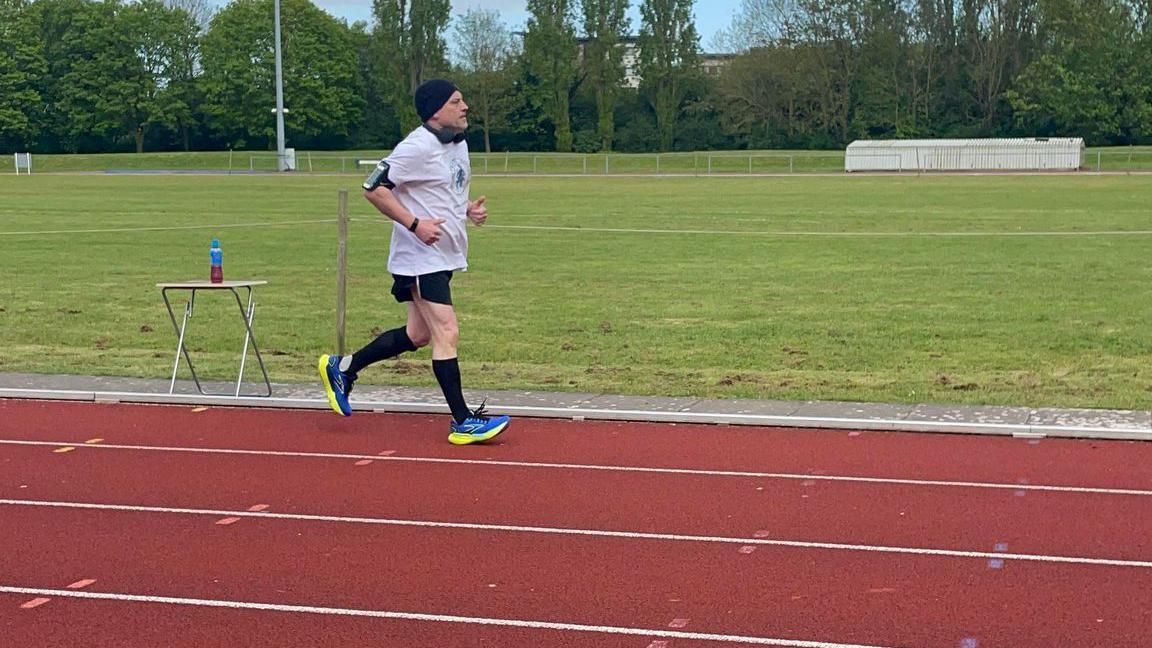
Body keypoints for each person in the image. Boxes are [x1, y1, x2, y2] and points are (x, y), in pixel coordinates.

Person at [319, 79, 509, 445]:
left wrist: (467, 210)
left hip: (445, 253)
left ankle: (343, 367)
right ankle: (463, 420)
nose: (465, 105)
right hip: (420, 257)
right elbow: (373, 188)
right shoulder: (415, 147)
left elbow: (444, 189)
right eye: (457, 101)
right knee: (447, 331)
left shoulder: (459, 142)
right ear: (436, 110)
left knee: (418, 335)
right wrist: (415, 223)